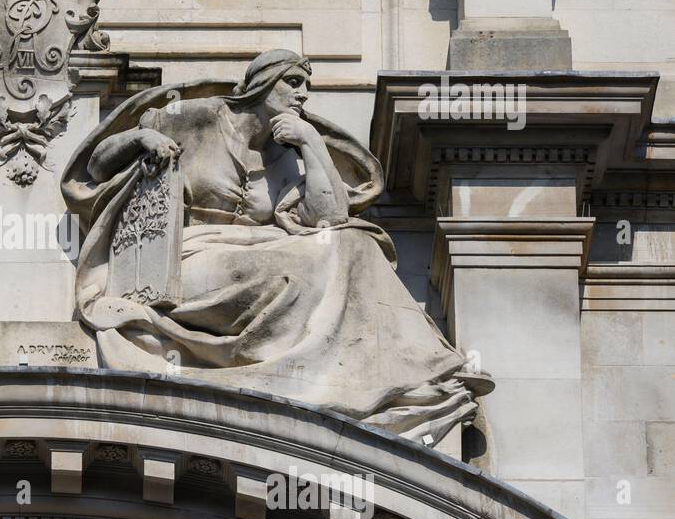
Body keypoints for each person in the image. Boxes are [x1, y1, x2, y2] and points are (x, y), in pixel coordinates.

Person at [62, 48, 490, 444]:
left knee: (357, 244)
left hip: (263, 254)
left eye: (306, 86)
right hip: (194, 259)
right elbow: (96, 165)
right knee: (313, 262)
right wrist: (140, 140)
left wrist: (311, 143)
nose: (303, 95)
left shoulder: (286, 152)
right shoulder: (194, 118)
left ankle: (411, 373)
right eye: (294, 83)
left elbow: (331, 218)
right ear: (264, 84)